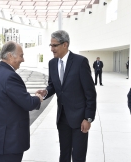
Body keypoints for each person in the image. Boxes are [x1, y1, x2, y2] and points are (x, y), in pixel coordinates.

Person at [36, 30, 96, 162]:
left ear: (65, 45)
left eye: (54, 45)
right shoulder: (52, 63)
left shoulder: (80, 62)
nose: (52, 49)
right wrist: (46, 92)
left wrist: (88, 118)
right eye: (50, 45)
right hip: (62, 118)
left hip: (80, 119)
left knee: (78, 156)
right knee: (64, 154)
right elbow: (53, 85)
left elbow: (90, 93)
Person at [0, 41, 43, 162]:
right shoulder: (10, 76)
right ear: (10, 56)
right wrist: (38, 97)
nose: (23, 60)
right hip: (8, 143)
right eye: (21, 55)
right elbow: (28, 103)